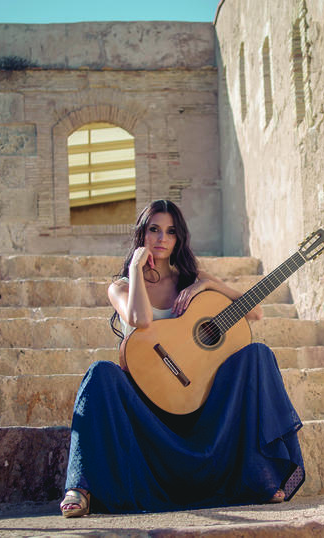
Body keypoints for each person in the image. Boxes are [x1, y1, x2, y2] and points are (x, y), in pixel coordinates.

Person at [60, 199, 305, 516]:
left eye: (171, 232)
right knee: (99, 374)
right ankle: (80, 487)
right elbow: (141, 319)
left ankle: (262, 477)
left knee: (257, 354)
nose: (162, 238)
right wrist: (136, 268)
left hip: (198, 408)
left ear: (179, 239)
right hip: (147, 411)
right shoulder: (121, 286)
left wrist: (209, 283)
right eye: (154, 230)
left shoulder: (189, 279)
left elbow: (254, 312)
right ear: (142, 235)